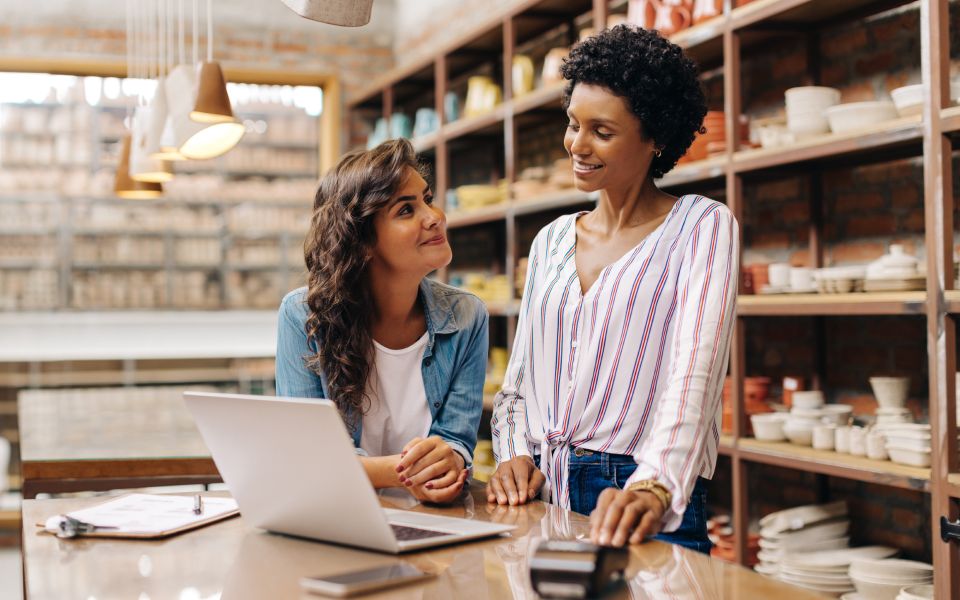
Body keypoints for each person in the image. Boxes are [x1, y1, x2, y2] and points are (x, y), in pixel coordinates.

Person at [487, 25, 739, 552]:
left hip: (638, 494)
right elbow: (518, 383)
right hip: (542, 492)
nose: (576, 145)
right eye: (573, 124)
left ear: (657, 139)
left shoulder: (702, 226)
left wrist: (655, 484)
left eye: (602, 131)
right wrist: (511, 454)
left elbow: (696, 372)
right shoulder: (551, 240)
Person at [276, 139, 489, 504]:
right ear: (361, 242)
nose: (434, 215)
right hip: (339, 518)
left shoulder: (467, 316)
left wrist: (448, 463)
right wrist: (409, 473)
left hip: (436, 525)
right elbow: (309, 458)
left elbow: (456, 442)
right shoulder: (304, 316)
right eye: (406, 210)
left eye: (427, 198)